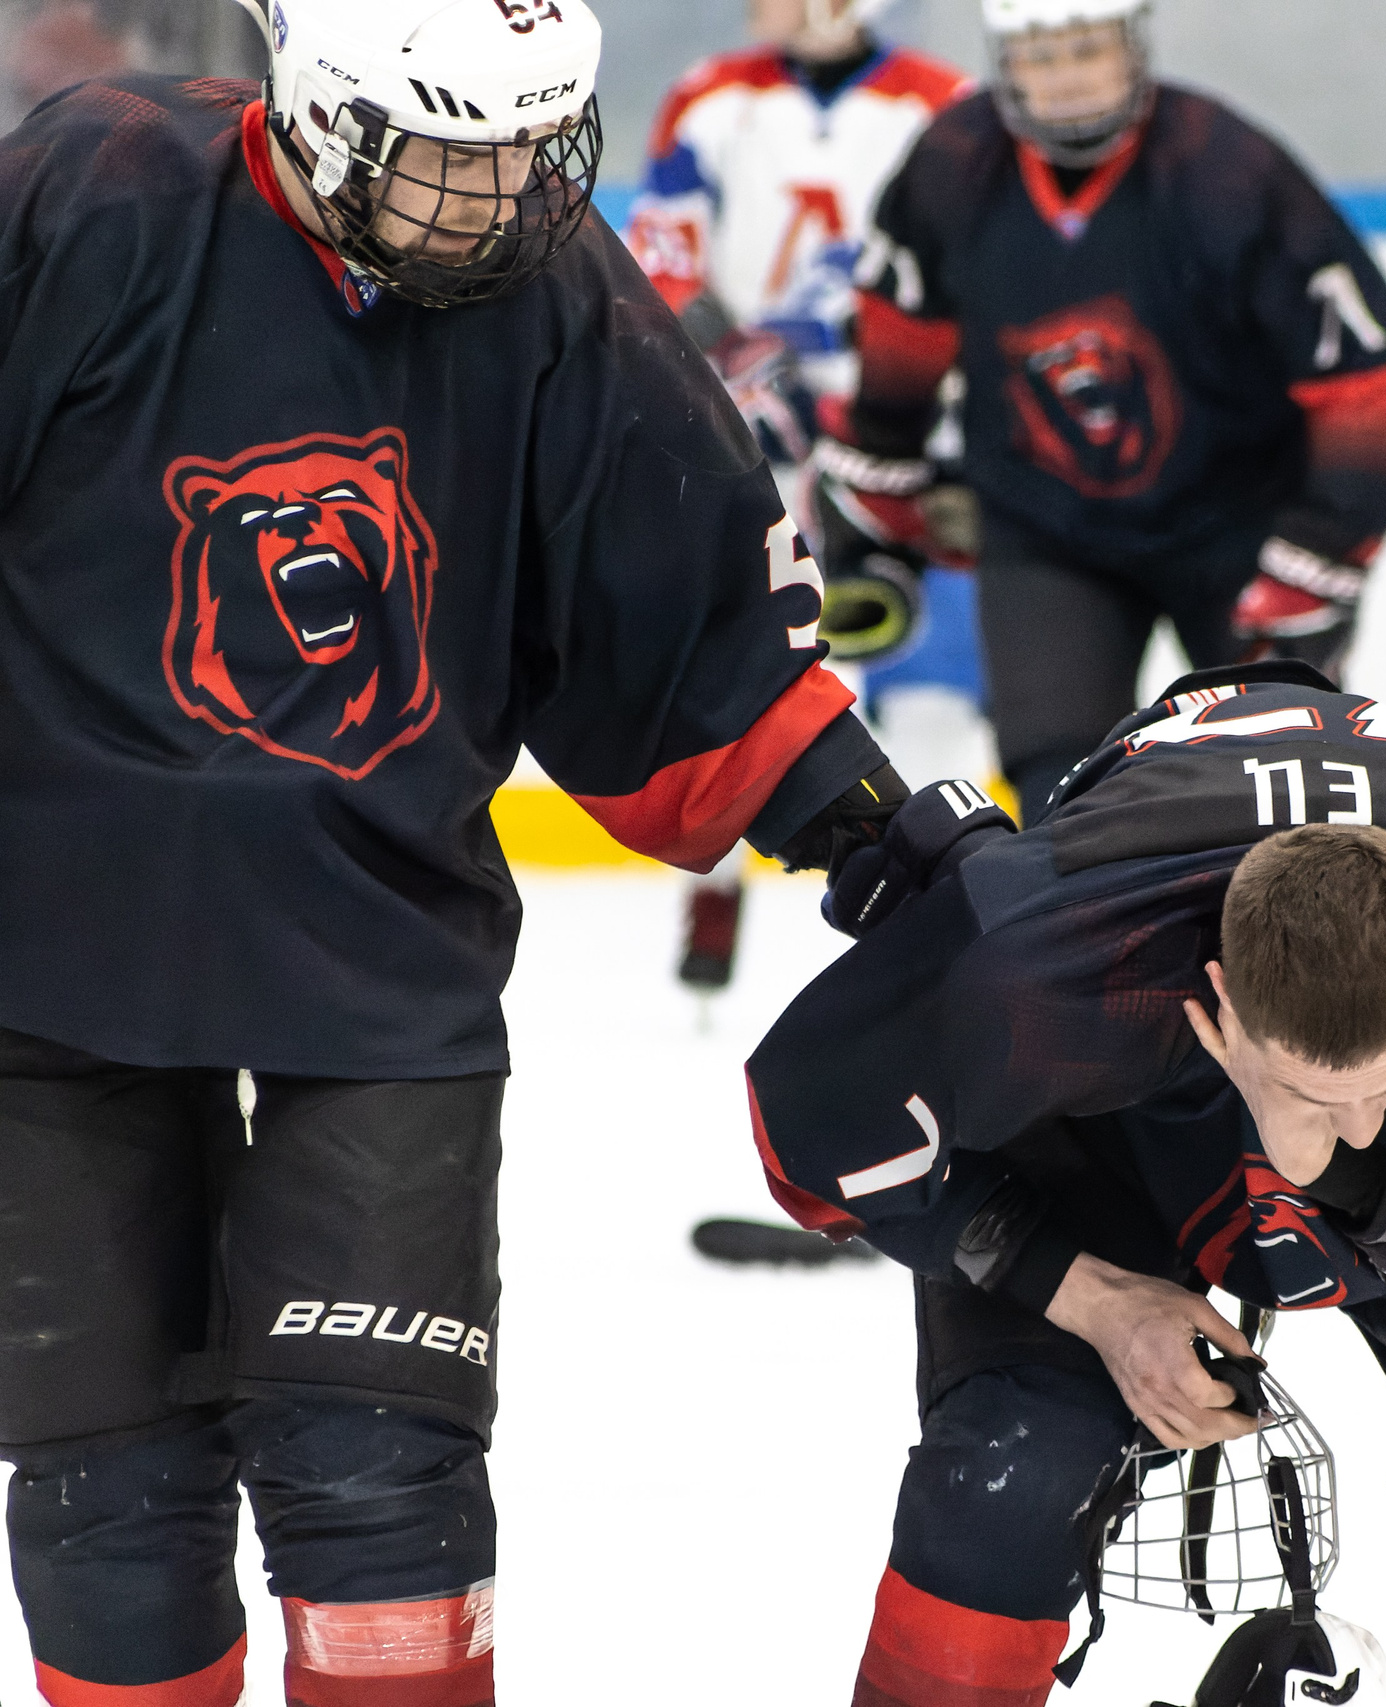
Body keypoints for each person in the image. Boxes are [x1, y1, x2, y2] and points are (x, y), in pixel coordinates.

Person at [0, 0, 917, 1700]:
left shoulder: (548, 283)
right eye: (452, 155)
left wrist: (877, 837)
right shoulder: (96, 193)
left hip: (378, 951)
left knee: (382, 1487)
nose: (500, 195)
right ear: (324, 119)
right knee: (107, 1495)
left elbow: (684, 610)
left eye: (529, 150)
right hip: (53, 947)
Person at [745, 665, 1386, 1707]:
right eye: (1312, 1089)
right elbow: (808, 1135)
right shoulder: (1051, 954)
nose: (1352, 1119)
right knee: (1009, 1472)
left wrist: (1346, 1179)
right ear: (1210, 1000)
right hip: (1118, 1105)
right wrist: (1094, 1300)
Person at [826, 0, 1386, 816]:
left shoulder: (1226, 172)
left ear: (1133, 46)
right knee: (1060, 795)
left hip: (1236, 528)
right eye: (1041, 55)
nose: (1068, 77)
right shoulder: (953, 166)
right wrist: (882, 516)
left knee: (1282, 795)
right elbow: (898, 344)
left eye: (1088, 48)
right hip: (1047, 530)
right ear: (1006, 63)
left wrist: (1315, 554)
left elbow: (1379, 379)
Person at [626, 0, 969, 994]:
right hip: (747, 426)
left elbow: (964, 270)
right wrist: (737, 365)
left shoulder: (943, 109)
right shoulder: (708, 100)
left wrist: (909, 402)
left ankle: (943, 890)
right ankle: (719, 879)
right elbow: (662, 262)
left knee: (917, 657)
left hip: (895, 433)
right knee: (744, 655)